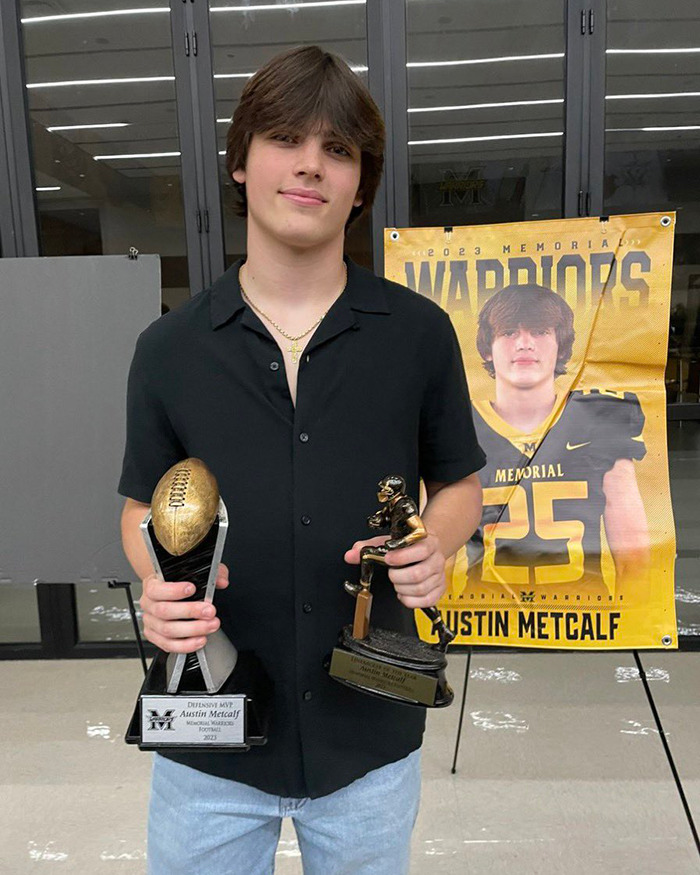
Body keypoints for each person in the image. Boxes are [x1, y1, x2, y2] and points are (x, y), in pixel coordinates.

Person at [118, 45, 484, 875]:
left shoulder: (418, 334)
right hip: (208, 739)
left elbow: (458, 483)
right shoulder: (169, 349)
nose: (310, 165)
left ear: (361, 183)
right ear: (241, 163)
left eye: (339, 150)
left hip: (369, 737)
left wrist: (439, 542)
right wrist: (155, 581)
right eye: (285, 138)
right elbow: (141, 505)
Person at [452, 283, 650, 607]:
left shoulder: (600, 418)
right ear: (488, 348)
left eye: (541, 331)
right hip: (484, 615)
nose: (525, 343)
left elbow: (633, 551)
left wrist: (631, 620)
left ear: (562, 345)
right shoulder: (459, 424)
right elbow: (436, 547)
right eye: (509, 332)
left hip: (584, 616)